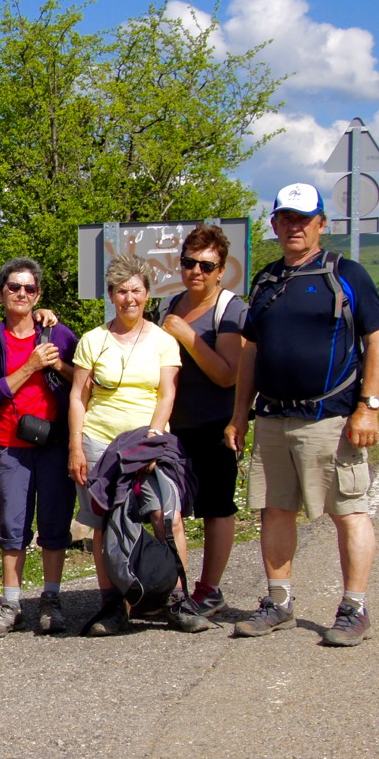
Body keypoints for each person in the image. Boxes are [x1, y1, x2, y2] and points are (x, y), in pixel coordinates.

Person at [225, 182, 379, 646]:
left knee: (348, 511)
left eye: (304, 218)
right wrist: (240, 415)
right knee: (274, 512)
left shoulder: (347, 274)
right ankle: (278, 603)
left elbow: (378, 339)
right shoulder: (266, 281)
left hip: (332, 419)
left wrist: (369, 407)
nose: (294, 226)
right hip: (274, 419)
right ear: (275, 223)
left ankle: (353, 609)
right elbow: (250, 353)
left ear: (321, 224)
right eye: (286, 218)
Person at [69, 255, 209, 636]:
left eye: (136, 290)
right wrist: (75, 448)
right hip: (99, 443)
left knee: (168, 516)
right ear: (111, 295)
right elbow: (78, 398)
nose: (129, 298)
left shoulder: (164, 342)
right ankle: (113, 605)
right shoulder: (93, 341)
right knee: (104, 525)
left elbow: (167, 394)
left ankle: (177, 600)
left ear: (147, 293)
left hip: (148, 441)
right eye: (121, 291)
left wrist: (152, 438)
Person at [0, 258, 78, 635]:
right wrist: (31, 365)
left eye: (29, 288)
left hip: (55, 442)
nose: (21, 294)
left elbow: (84, 381)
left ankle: (51, 599)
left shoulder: (58, 333)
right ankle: (10, 604)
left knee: (54, 522)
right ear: (1, 293)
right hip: (10, 444)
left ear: (39, 295)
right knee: (12, 526)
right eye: (13, 287)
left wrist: (59, 365)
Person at [160, 226, 246, 616]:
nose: (196, 270)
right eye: (189, 262)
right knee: (168, 510)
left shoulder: (231, 309)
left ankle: (209, 589)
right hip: (173, 426)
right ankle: (175, 588)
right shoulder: (170, 304)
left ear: (221, 269)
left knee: (216, 508)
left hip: (214, 424)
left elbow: (228, 373)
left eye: (206, 265)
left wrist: (187, 334)